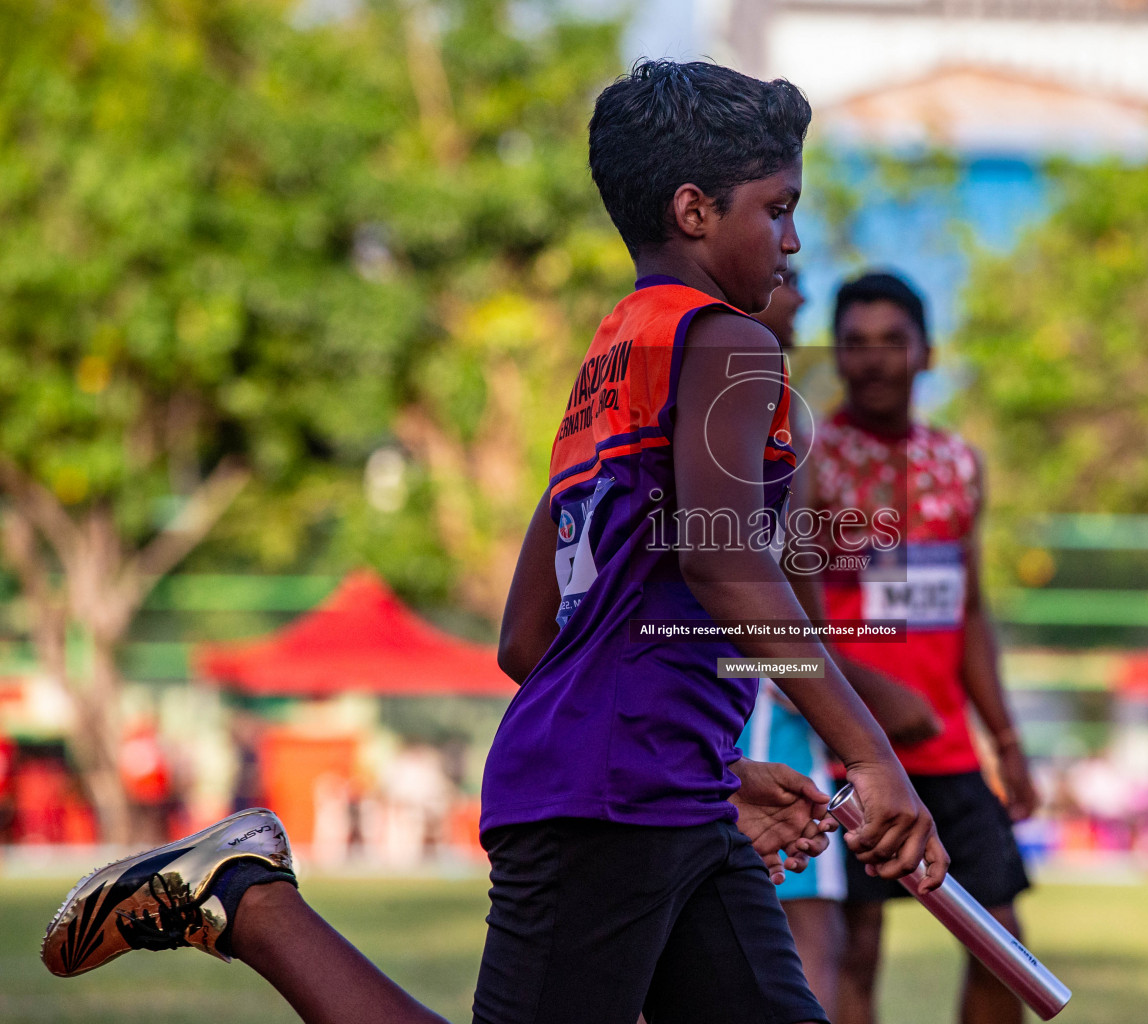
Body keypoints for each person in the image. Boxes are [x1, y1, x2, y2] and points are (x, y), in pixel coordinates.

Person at [43, 61, 947, 1024]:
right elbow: (724, 562)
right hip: (613, 793)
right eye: (777, 209)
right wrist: (871, 756)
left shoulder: (612, 360)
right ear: (693, 209)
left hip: (659, 784)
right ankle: (248, 899)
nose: (793, 240)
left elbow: (528, 639)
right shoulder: (732, 347)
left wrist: (715, 773)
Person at [806, 272, 1039, 1024]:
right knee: (855, 946)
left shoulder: (960, 463)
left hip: (949, 754)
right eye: (855, 344)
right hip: (847, 749)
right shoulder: (808, 462)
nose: (873, 360)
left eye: (891, 342)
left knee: (1003, 948)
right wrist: (871, 696)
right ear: (836, 358)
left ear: (927, 353)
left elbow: (969, 611)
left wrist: (1005, 737)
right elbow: (783, 617)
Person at [739, 268, 943, 1010]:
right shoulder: (768, 417)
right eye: (786, 274)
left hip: (769, 715)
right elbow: (778, 611)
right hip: (761, 718)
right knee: (809, 954)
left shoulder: (767, 413)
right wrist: (869, 740)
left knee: (813, 948)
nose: (795, 285)